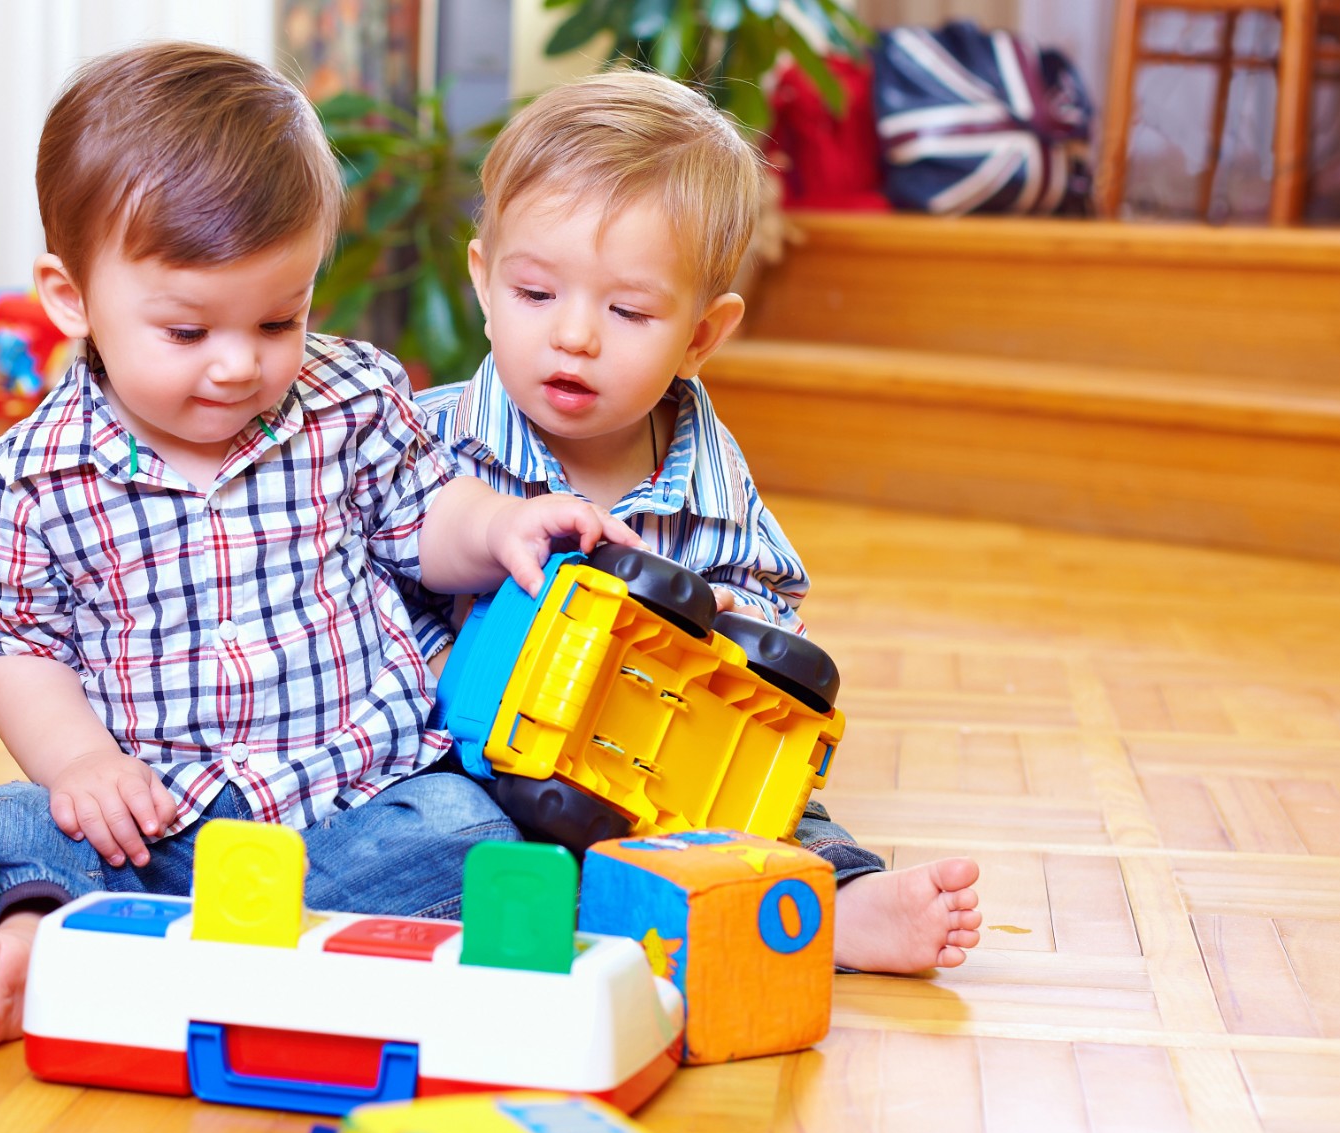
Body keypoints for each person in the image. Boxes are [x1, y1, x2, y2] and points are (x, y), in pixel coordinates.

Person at [0, 43, 637, 1051]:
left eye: (281, 318)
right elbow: (17, 642)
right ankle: (42, 941)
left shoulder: (345, 398)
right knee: (11, 822)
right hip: (160, 830)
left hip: (351, 810)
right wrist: (83, 760)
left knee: (470, 830)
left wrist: (499, 525)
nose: (239, 365)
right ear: (71, 298)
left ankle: (231, 964)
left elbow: (424, 518)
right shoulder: (32, 476)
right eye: (187, 332)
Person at [407, 70, 982, 975]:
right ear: (483, 281)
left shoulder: (709, 473)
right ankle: (583, 910)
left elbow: (771, 603)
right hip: (481, 767)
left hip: (661, 778)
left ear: (702, 337)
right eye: (535, 295)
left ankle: (838, 907)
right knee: (441, 831)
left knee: (783, 819)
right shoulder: (423, 441)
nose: (575, 337)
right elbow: (367, 590)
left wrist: (710, 634)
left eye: (628, 311)